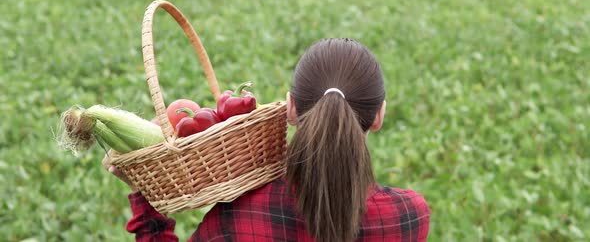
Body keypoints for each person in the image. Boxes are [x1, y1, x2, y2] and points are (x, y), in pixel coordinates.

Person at [104, 38, 431, 242]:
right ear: (378, 116)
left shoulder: (235, 219)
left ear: (290, 108)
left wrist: (145, 196)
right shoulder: (409, 217)